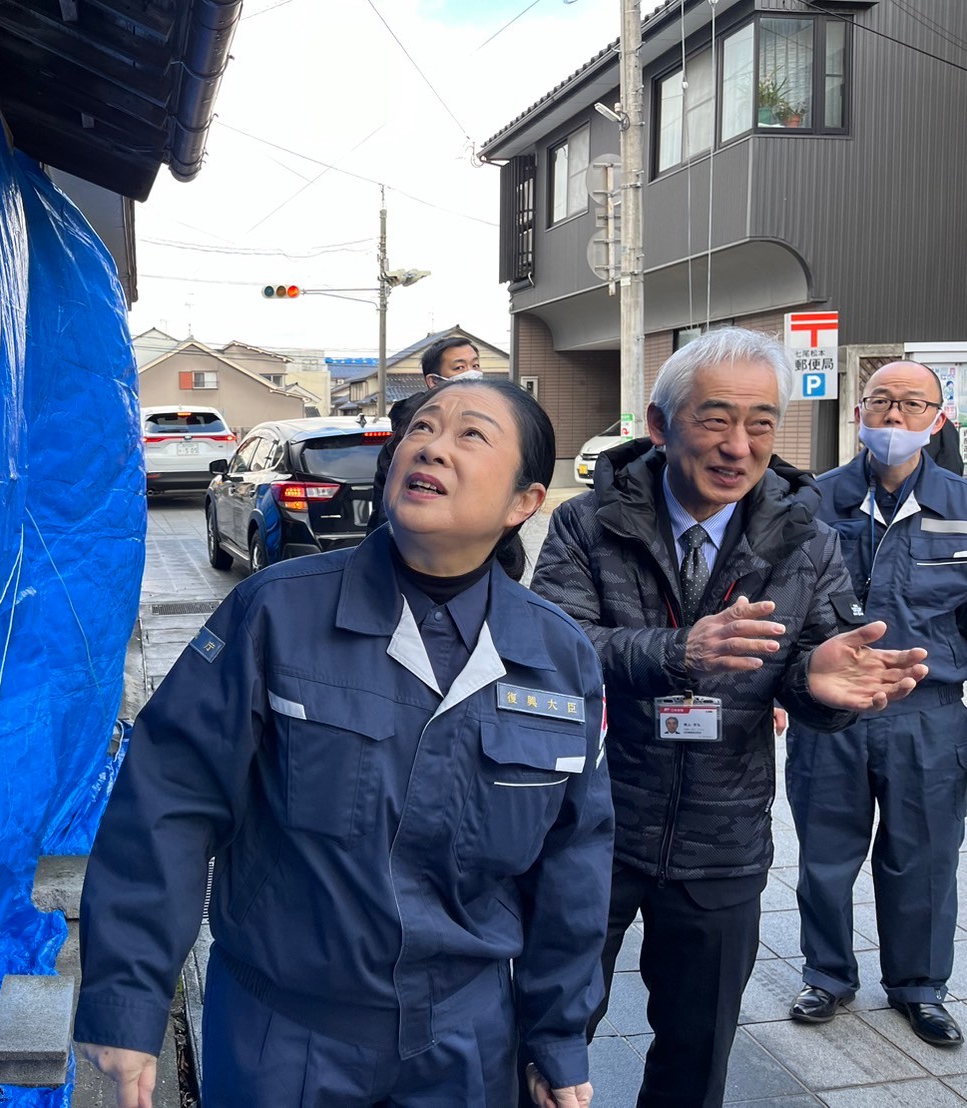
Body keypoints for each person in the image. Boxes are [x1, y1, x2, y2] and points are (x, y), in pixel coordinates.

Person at [76, 377, 613, 1108]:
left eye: (470, 435)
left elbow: (572, 862)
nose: (430, 446)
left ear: (524, 503)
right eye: (422, 428)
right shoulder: (276, 614)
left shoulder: (556, 656)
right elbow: (168, 800)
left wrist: (556, 1035)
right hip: (284, 1033)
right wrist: (129, 998)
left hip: (464, 1042)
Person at [529, 327, 930, 1108]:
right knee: (549, 1044)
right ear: (658, 424)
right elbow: (558, 646)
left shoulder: (804, 537)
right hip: (590, 827)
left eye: (759, 422)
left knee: (696, 1050)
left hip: (723, 839)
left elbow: (814, 672)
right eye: (714, 419)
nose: (737, 446)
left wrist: (820, 687)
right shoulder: (589, 523)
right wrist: (680, 652)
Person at [786, 361, 967, 1047]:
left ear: (936, 419)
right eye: (880, 402)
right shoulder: (810, 502)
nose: (893, 417)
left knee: (922, 856)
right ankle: (825, 976)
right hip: (829, 708)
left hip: (928, 711)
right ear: (858, 410)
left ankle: (918, 987)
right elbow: (784, 604)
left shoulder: (959, 503)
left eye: (910, 404)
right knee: (824, 852)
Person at [367, 336, 482, 531]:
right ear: (434, 381)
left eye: (476, 365)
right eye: (459, 368)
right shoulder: (409, 436)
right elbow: (392, 509)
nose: (472, 373)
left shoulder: (488, 420)